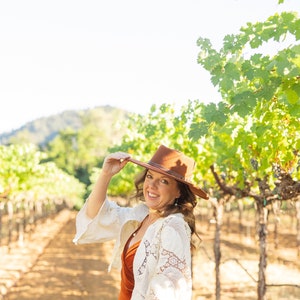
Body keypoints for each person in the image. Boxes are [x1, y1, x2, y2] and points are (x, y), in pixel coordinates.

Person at [73, 144, 209, 299]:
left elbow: (167, 291)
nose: (151, 185)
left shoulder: (173, 226)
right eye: (150, 176)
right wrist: (106, 174)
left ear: (179, 192)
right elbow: (96, 212)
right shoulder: (141, 215)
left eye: (163, 181)